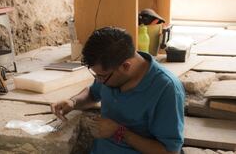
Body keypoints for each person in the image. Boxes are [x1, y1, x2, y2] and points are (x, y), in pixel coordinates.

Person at [51, 27, 185, 154]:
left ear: (126, 66)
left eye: (102, 76)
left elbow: (170, 151)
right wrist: (73, 102)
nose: (99, 80)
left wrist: (119, 132)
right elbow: (93, 93)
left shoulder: (166, 89)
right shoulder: (110, 74)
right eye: (96, 75)